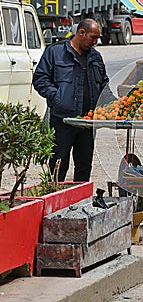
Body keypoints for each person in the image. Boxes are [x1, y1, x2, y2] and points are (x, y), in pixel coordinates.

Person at [33, 18, 112, 182]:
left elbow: (104, 85)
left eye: (97, 38)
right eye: (93, 37)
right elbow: (40, 79)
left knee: (84, 166)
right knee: (58, 164)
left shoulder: (95, 57)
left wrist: (115, 105)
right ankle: (55, 201)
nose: (95, 42)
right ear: (81, 33)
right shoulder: (55, 52)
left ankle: (79, 203)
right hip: (63, 120)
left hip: (87, 123)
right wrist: (57, 97)